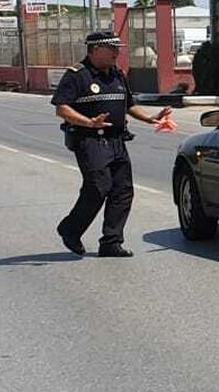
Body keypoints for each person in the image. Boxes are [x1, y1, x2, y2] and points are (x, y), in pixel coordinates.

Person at [51, 31, 173, 257]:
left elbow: (129, 105)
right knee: (98, 187)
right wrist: (88, 122)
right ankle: (70, 229)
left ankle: (111, 242)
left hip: (116, 139)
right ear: (96, 49)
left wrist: (151, 118)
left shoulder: (117, 74)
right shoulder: (78, 75)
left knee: (123, 190)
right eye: (112, 49)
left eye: (118, 48)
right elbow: (62, 108)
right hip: (90, 140)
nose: (117, 53)